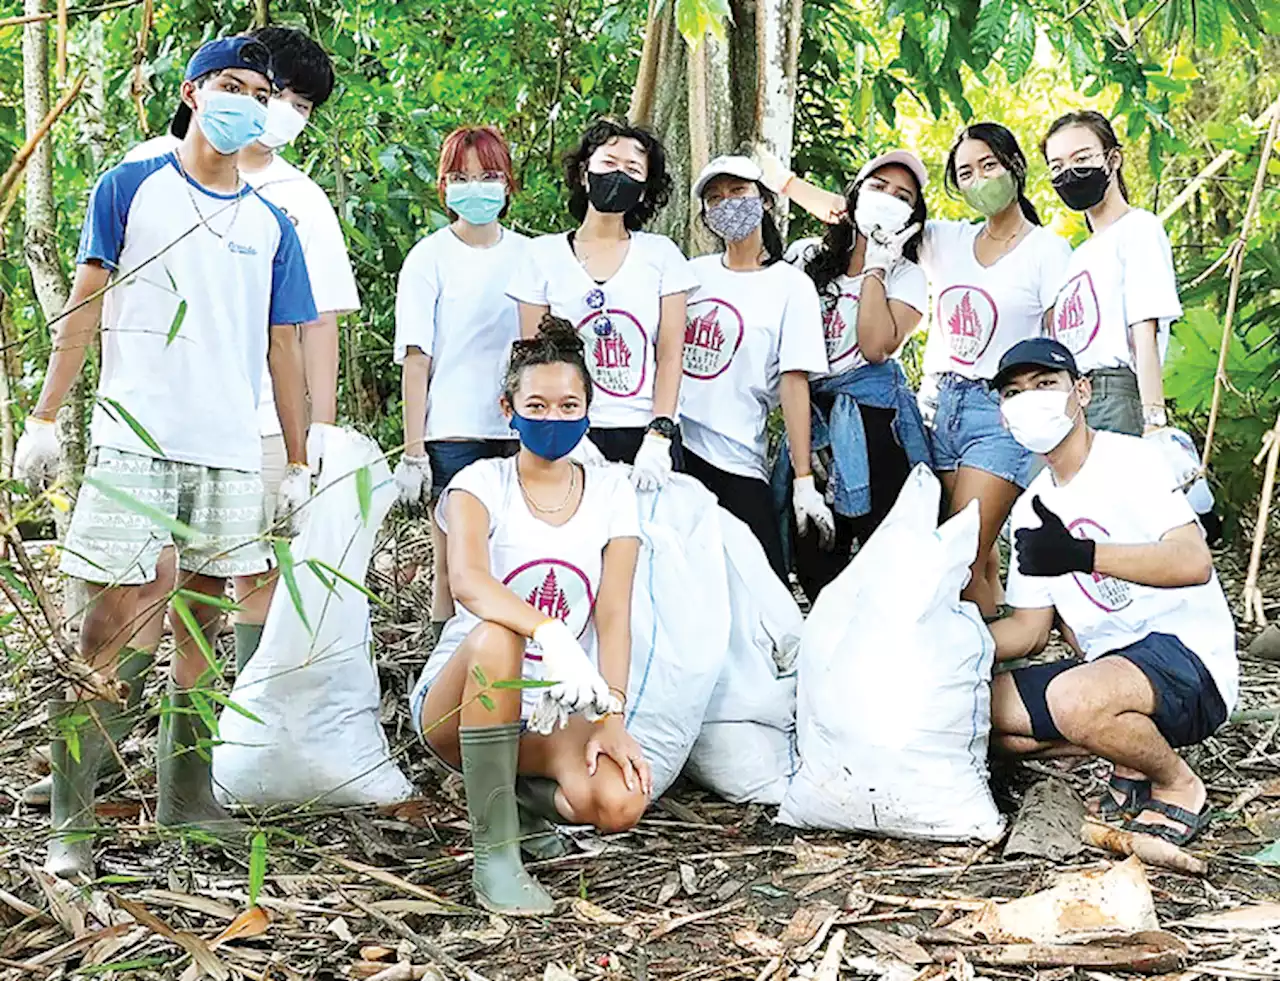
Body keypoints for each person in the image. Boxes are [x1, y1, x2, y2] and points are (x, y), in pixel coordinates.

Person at [12, 37, 317, 879]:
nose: (243, 102)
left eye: (258, 92)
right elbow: (86, 298)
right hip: (134, 436)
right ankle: (73, 817)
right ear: (191, 92)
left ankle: (187, 797)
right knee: (117, 618)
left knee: (204, 618)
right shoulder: (131, 185)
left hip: (224, 449)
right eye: (229, 85)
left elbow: (283, 343)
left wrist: (297, 459)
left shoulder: (272, 223)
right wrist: (43, 416)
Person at [759, 125, 1072, 616]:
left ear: (1015, 165)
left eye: (988, 166)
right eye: (965, 172)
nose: (978, 179)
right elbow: (851, 213)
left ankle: (991, 660)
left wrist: (1059, 422)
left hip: (1000, 412)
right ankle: (991, 673)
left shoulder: (1047, 250)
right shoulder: (946, 241)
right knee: (979, 563)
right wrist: (785, 184)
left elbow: (1061, 344)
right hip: (940, 407)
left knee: (956, 556)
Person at [124, 25, 359, 672]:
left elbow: (315, 326)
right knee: (148, 578)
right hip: (151, 417)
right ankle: (105, 745)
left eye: (303, 107)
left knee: (253, 571)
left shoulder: (300, 202)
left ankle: (238, 741)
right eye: (274, 92)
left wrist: (316, 440)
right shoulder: (145, 170)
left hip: (254, 422)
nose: (284, 113)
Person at [409, 315, 649, 914]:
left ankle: (512, 795)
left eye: (570, 405)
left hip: (550, 705)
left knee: (620, 802)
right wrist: (547, 631)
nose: (553, 418)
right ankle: (496, 857)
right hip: (463, 698)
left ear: (589, 409)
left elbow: (614, 613)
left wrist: (611, 715)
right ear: (507, 408)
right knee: (497, 636)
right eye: (536, 405)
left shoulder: (613, 491)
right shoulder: (478, 483)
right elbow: (468, 581)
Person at [988, 338, 1236, 846]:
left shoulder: (1132, 461)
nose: (1028, 399)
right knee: (973, 710)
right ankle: (1129, 754)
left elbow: (1194, 562)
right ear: (1003, 415)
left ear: (1081, 391)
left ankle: (1178, 785)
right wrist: (954, 641)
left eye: (1045, 384)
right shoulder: (1030, 506)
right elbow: (1030, 630)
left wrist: (1084, 555)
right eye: (1013, 392)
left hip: (1187, 658)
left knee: (1075, 698)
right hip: (1110, 669)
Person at [508, 118, 696, 488]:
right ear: (584, 173)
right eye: (609, 164)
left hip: (642, 432)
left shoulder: (662, 256)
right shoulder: (540, 255)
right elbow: (533, 355)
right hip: (569, 434)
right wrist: (566, 433)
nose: (619, 175)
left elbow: (671, 354)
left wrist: (660, 434)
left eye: (632, 169)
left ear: (644, 189)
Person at [394, 125, 525, 643]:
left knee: (511, 553)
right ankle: (440, 661)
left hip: (519, 428)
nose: (477, 187)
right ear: (444, 186)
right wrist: (413, 452)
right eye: (463, 177)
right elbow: (415, 358)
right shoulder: (429, 258)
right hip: (451, 431)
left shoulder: (528, 256)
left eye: (489, 176)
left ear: (508, 184)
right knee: (454, 563)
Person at [783, 150, 933, 598]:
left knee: (883, 555)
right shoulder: (805, 257)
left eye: (903, 196)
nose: (889, 199)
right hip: (810, 419)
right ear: (854, 196)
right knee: (814, 558)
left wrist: (877, 268)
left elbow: (874, 346)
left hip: (874, 421)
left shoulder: (907, 277)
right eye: (878, 187)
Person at [677, 155, 832, 578]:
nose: (727, 203)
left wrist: (804, 481)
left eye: (738, 192)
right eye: (715, 197)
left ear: (764, 201)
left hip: (738, 454)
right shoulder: (690, 276)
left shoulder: (790, 286)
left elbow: (794, 382)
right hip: (677, 448)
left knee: (763, 582)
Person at [1042, 111, 1180, 437]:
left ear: (1113, 158)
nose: (1070, 172)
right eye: (1057, 166)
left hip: (1115, 396)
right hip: (1072, 400)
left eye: (1082, 157)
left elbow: (1143, 331)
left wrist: (1153, 420)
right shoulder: (1076, 256)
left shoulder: (1139, 228)